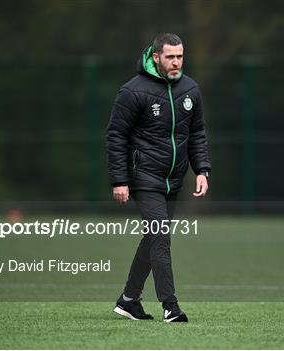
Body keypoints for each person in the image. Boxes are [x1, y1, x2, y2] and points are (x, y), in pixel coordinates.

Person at [106, 33, 211, 323]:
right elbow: (116, 136)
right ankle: (170, 306)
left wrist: (201, 169)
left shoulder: (190, 89)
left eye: (180, 56)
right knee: (161, 237)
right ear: (156, 57)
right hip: (145, 178)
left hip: (172, 181)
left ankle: (128, 300)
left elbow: (197, 133)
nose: (176, 62)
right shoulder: (132, 91)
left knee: (153, 238)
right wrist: (119, 179)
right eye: (170, 57)